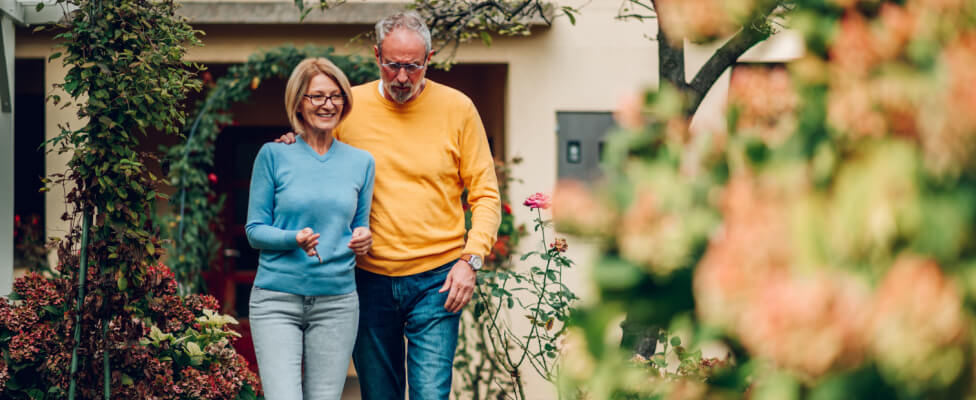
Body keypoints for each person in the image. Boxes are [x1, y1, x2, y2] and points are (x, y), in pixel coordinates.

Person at [276, 11, 501, 400]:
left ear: (428, 60)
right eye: (393, 65)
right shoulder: (349, 106)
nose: (401, 77)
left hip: (439, 279)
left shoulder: (458, 108)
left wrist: (472, 259)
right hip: (366, 280)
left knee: (431, 394)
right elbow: (317, 159)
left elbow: (485, 194)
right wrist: (292, 148)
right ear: (377, 55)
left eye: (412, 67)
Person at [246, 57, 375, 400]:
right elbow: (255, 230)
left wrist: (364, 239)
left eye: (335, 96)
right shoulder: (273, 155)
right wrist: (294, 238)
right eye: (317, 96)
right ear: (299, 103)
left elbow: (359, 228)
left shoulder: (362, 162)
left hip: (337, 302)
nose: (327, 104)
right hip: (276, 299)